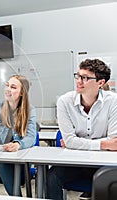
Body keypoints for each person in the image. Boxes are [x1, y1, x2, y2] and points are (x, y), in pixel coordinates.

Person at [47, 58, 117, 200]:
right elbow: (70, 140)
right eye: (78, 76)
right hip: (75, 161)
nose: (79, 81)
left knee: (110, 178)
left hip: (103, 162)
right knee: (52, 176)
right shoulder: (64, 102)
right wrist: (103, 144)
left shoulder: (113, 101)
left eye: (85, 78)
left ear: (100, 83)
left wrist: (76, 142)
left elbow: (114, 142)